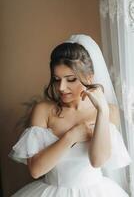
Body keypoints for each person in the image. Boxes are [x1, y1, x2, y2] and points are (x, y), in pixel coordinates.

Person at [9, 34, 132, 197]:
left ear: (89, 77)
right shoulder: (43, 110)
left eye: (71, 79)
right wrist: (71, 136)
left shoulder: (109, 111)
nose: (61, 87)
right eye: (56, 79)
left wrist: (102, 111)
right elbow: (36, 170)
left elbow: (98, 161)